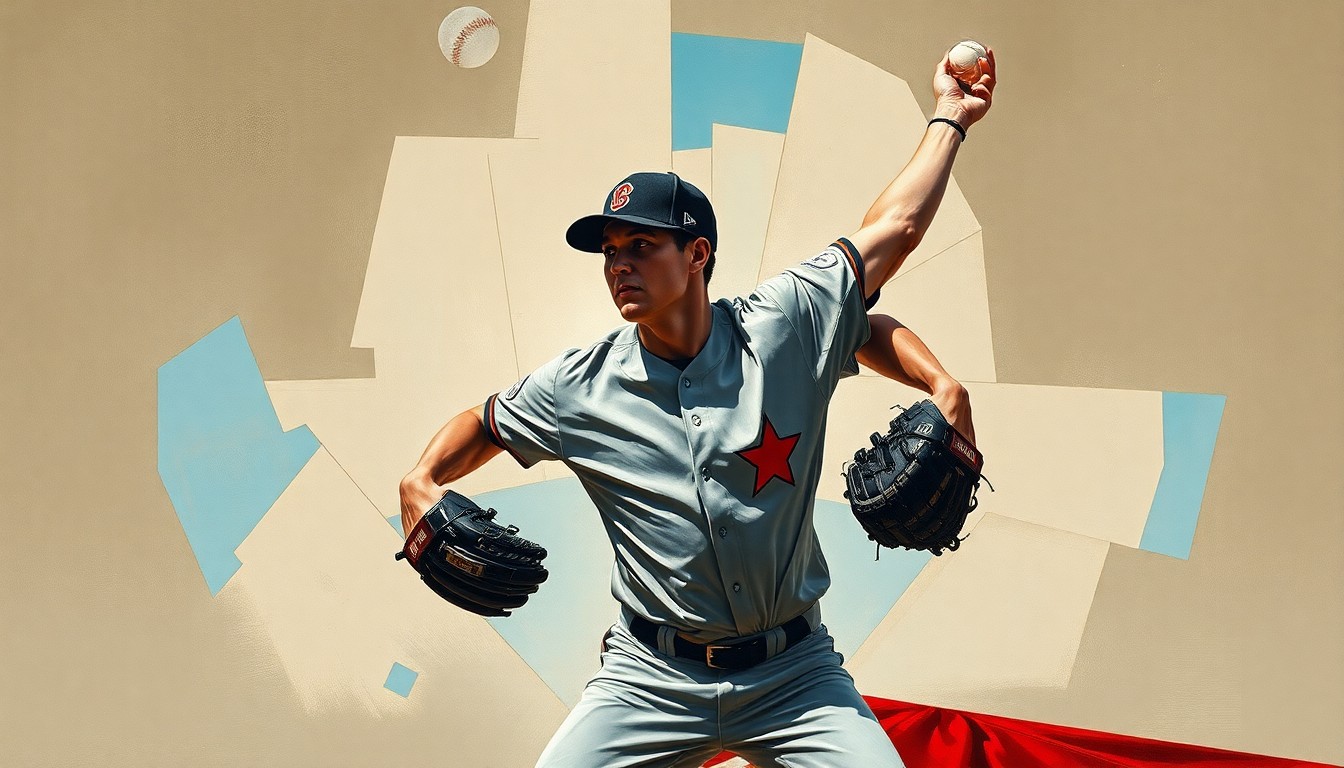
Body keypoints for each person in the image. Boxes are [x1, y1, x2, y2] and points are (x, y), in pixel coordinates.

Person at [400, 48, 995, 768]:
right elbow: (482, 423)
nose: (619, 263)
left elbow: (893, 232)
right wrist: (422, 479)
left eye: (641, 245)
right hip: (647, 680)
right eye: (610, 251)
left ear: (697, 255)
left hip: (795, 678)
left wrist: (950, 118)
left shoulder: (781, 323)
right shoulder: (578, 385)